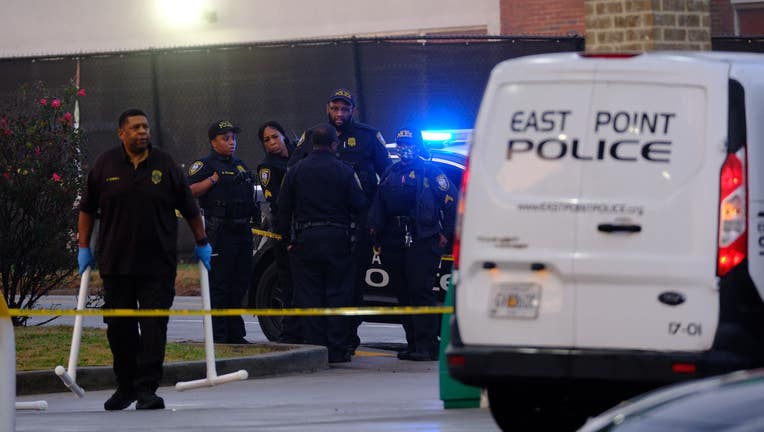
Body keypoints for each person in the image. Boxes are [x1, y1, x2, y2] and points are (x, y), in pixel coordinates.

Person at [77, 108, 211, 410]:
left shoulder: (165, 165)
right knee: (119, 330)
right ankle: (125, 387)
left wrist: (202, 241)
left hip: (157, 265)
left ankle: (147, 390)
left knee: (153, 329)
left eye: (145, 127)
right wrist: (83, 246)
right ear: (122, 133)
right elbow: (87, 209)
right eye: (136, 128)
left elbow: (190, 208)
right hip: (116, 264)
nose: (142, 132)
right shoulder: (104, 165)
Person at [289, 88, 392, 353]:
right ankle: (323, 344)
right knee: (323, 288)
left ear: (353, 111)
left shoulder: (368, 137)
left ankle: (346, 339)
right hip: (319, 225)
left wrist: (375, 221)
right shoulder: (313, 136)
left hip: (357, 227)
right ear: (327, 108)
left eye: (345, 109)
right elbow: (293, 174)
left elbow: (387, 177)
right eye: (335, 108)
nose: (339, 113)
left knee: (351, 287)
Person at [277, 123, 366, 363]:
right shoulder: (345, 171)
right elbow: (360, 206)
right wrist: (355, 237)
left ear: (312, 143)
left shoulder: (295, 171)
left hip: (305, 240)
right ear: (334, 144)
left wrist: (286, 241)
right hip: (337, 239)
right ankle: (337, 350)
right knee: (338, 294)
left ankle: (317, 350)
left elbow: (282, 209)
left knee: (309, 296)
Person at [368, 127, 457, 361]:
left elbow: (452, 203)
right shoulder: (390, 172)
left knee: (420, 291)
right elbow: (379, 206)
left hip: (422, 238)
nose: (404, 149)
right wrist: (376, 235)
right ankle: (413, 343)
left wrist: (445, 234)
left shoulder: (431, 172)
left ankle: (427, 345)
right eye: (400, 144)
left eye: (408, 144)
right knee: (404, 294)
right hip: (394, 239)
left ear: (418, 147)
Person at [187, 120, 256, 344]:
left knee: (240, 282)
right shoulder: (205, 165)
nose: (231, 142)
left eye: (233, 138)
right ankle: (219, 335)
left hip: (242, 229)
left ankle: (236, 333)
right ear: (213, 142)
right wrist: (212, 180)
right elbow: (189, 192)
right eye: (225, 138)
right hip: (221, 231)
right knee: (220, 283)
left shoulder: (240, 165)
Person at [256, 120, 301, 343]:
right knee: (289, 282)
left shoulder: (300, 155)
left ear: (284, 135)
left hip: (307, 226)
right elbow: (277, 202)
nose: (272, 142)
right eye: (267, 140)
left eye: (275, 136)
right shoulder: (267, 168)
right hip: (285, 228)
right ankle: (289, 334)